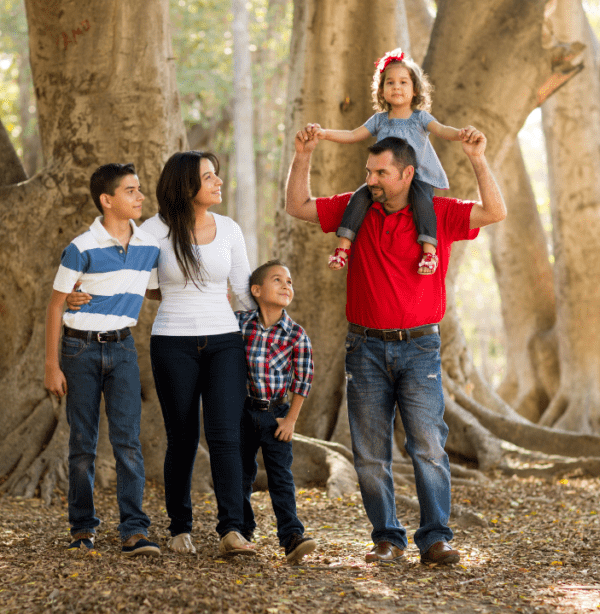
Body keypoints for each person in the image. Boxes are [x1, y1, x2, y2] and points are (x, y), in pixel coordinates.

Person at [284, 128, 505, 566]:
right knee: (369, 452)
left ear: (407, 174)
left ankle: (436, 538)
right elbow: (297, 206)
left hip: (420, 348)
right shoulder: (356, 208)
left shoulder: (436, 213)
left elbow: (494, 212)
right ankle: (386, 538)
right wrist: (303, 156)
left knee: (427, 446)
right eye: (369, 171)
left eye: (381, 172)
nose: (372, 179)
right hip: (364, 348)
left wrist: (478, 160)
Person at [141, 151, 256, 557]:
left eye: (217, 175)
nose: (218, 182)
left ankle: (231, 530)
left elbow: (243, 291)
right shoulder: (153, 230)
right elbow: (143, 284)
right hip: (172, 341)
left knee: (226, 437)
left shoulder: (228, 229)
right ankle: (179, 528)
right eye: (209, 177)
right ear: (187, 186)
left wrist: (276, 320)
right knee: (183, 439)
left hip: (225, 341)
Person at [43, 162, 161, 557]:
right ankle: (82, 528)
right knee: (83, 443)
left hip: (123, 348)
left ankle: (134, 530)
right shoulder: (80, 248)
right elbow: (56, 306)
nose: (140, 196)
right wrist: (51, 365)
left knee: (128, 442)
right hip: (79, 351)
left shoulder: (148, 245)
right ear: (107, 200)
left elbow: (157, 288)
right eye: (131, 190)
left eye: (139, 189)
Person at [306, 48, 477, 276]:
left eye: (403, 82)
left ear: (415, 89)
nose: (396, 87)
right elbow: (352, 134)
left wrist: (461, 134)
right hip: (386, 180)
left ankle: (429, 252)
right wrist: (324, 133)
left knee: (423, 202)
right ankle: (343, 248)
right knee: (359, 198)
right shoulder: (379, 120)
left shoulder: (420, 118)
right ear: (381, 90)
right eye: (390, 82)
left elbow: (442, 130)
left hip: (417, 177)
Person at [236, 259, 317, 564]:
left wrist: (291, 419)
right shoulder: (241, 323)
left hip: (277, 415)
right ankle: (241, 530)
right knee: (241, 473)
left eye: (289, 281)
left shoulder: (295, 334)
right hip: (243, 412)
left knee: (280, 476)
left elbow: (303, 378)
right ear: (256, 290)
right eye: (277, 280)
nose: (286, 286)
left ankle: (292, 536)